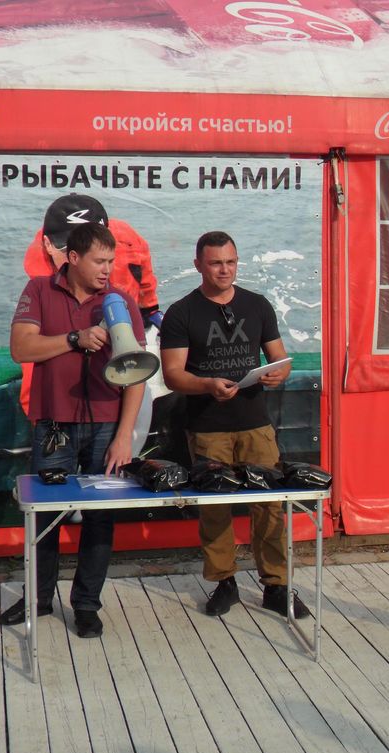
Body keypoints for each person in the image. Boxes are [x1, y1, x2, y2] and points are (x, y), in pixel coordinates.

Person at [0, 222, 146, 639]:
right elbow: (21, 348)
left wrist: (125, 435)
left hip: (106, 425)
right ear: (74, 258)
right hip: (54, 424)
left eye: (111, 261)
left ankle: (86, 605)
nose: (107, 269)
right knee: (44, 515)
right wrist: (73, 339)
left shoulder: (120, 301)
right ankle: (39, 599)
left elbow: (136, 373)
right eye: (100, 261)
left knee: (100, 518)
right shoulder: (39, 290)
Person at [159, 231, 308, 619]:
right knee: (215, 509)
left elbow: (280, 358)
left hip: (255, 423)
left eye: (230, 262)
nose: (224, 270)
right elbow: (173, 375)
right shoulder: (181, 312)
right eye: (215, 263)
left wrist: (278, 373)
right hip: (207, 426)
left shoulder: (257, 305)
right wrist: (207, 385)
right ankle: (224, 582)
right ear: (198, 265)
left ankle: (276, 585)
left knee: (270, 505)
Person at [19, 193, 162, 417]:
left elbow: (145, 278)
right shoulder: (41, 288)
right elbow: (28, 358)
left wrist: (150, 309)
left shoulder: (127, 237)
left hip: (125, 343)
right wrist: (39, 419)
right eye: (70, 251)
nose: (79, 259)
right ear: (48, 245)